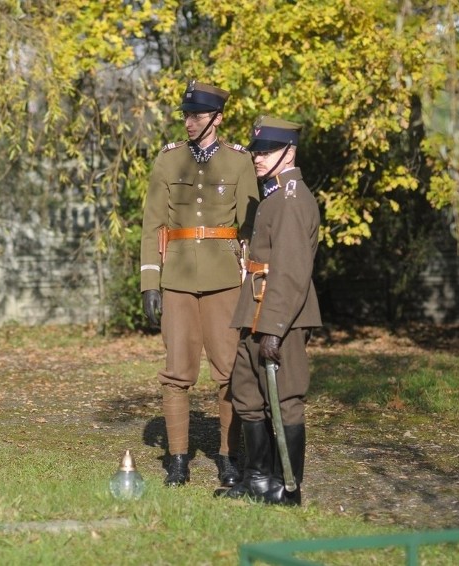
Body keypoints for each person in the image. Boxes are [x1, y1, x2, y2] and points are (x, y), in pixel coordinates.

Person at [140, 80, 259, 487]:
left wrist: (253, 282)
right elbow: (152, 224)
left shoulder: (239, 162)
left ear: (217, 119)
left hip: (225, 280)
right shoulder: (168, 161)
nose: (189, 122)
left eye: (197, 115)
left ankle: (228, 456)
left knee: (229, 373)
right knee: (177, 373)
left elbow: (251, 229)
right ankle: (177, 460)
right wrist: (150, 282)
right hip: (176, 279)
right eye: (186, 115)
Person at [220, 116, 322, 506]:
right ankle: (258, 480)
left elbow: (293, 271)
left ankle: (286, 486)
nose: (258, 158)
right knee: (247, 393)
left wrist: (275, 328)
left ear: (289, 152)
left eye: (267, 151)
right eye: (256, 151)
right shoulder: (274, 196)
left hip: (281, 313)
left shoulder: (294, 200)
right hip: (256, 308)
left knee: (285, 398)